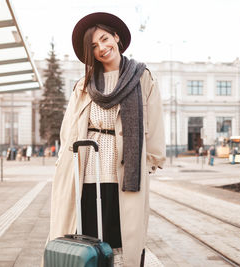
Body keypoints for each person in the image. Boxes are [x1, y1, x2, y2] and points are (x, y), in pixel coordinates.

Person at [47, 12, 165, 267]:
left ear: (116, 37)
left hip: (124, 170)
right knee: (86, 232)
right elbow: (68, 129)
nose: (102, 48)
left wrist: (152, 160)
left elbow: (154, 121)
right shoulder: (84, 84)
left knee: (120, 233)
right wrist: (63, 163)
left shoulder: (142, 77)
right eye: (94, 46)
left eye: (104, 39)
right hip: (87, 168)